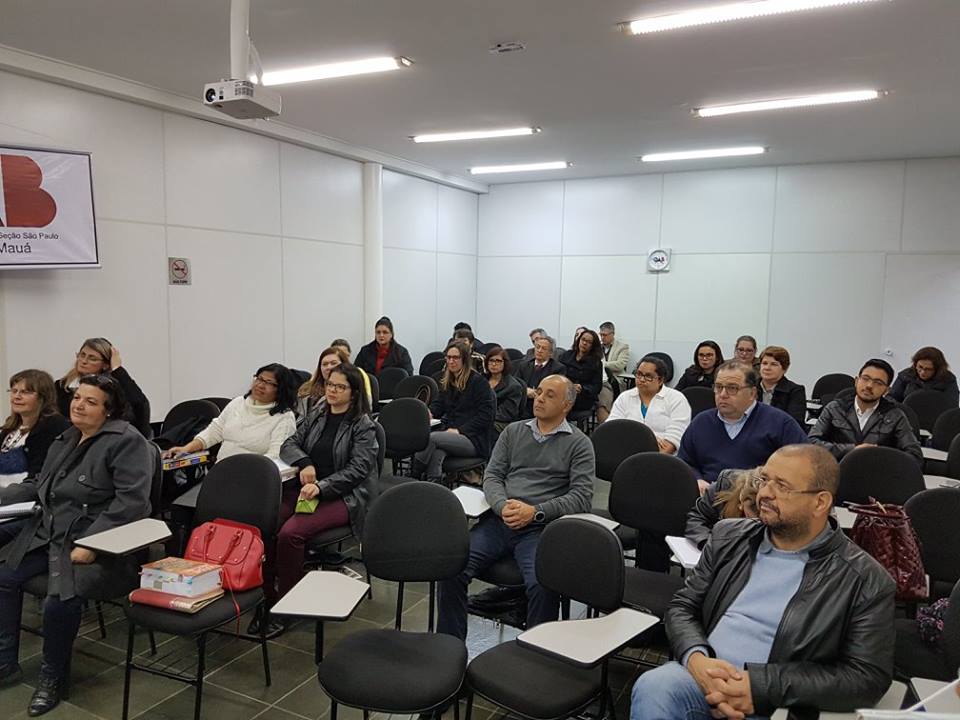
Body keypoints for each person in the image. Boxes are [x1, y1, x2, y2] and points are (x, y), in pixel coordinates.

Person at [631, 444, 895, 720]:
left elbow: (866, 677)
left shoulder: (865, 579)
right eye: (764, 480)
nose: (765, 493)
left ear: (820, 503)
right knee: (655, 687)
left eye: (782, 486)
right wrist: (696, 659)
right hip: (702, 680)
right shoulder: (728, 536)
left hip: (778, 703)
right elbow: (682, 606)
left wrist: (759, 688)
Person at [0, 374, 155, 716]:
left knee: (60, 600)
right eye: (77, 398)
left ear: (109, 410)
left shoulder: (126, 441)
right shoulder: (67, 437)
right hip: (51, 534)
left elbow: (132, 503)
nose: (79, 405)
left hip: (104, 547)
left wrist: (92, 543)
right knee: (5, 576)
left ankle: (53, 677)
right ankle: (5, 662)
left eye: (91, 401)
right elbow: (40, 484)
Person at [437, 375, 594, 640]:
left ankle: (534, 653)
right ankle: (449, 644)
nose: (539, 399)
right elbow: (492, 476)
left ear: (567, 405)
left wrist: (535, 511)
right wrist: (501, 506)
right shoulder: (513, 431)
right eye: (539, 392)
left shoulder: (579, 443)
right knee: (451, 568)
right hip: (500, 520)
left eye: (550, 395)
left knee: (543, 585)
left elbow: (581, 497)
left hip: (540, 528)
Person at [275, 366, 378, 624]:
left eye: (340, 387)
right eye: (330, 384)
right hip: (307, 489)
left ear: (354, 393)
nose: (332, 390)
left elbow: (358, 470)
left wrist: (322, 487)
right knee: (269, 521)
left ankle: (289, 605)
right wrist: (305, 463)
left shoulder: (363, 425)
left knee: (290, 533)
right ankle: (269, 593)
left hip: (345, 495)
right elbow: (289, 444)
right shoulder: (319, 412)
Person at [678, 361, 810, 485]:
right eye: (718, 387)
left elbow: (804, 464)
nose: (723, 394)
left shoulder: (780, 423)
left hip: (758, 495)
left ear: (752, 393)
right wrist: (697, 480)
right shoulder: (702, 422)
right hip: (707, 495)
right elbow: (685, 462)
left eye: (732, 388)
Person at [163, 364, 297, 462]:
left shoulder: (284, 418)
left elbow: (275, 457)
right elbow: (214, 431)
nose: (260, 385)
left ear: (281, 390)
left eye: (269, 383)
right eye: (259, 379)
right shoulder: (238, 403)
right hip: (222, 470)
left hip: (254, 477)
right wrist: (186, 449)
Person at [809, 358, 922, 464]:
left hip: (877, 473)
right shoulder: (835, 408)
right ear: (856, 381)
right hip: (837, 470)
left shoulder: (895, 415)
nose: (869, 385)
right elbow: (811, 443)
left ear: (886, 390)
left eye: (878, 383)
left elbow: (914, 455)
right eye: (865, 378)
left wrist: (878, 455)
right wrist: (851, 450)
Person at [413, 341, 495, 484]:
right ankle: (434, 486)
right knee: (437, 453)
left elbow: (486, 416)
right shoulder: (449, 381)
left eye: (455, 358)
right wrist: (430, 412)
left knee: (431, 438)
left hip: (474, 439)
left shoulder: (478, 383)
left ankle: (413, 475)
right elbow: (439, 404)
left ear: (465, 360)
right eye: (448, 357)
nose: (451, 361)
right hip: (451, 434)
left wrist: (460, 431)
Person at [54, 337, 151, 437]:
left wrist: (117, 369)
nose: (84, 361)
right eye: (82, 355)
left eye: (92, 358)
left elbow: (140, 406)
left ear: (105, 365)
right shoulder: (61, 386)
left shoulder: (112, 389)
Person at [1, 370, 71, 489]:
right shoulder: (10, 426)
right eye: (14, 391)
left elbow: (41, 476)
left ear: (43, 397)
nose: (17, 396)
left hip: (25, 496)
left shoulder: (54, 426)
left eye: (25, 392)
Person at [609, 356, 691, 454]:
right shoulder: (625, 397)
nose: (642, 379)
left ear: (660, 380)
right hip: (626, 451)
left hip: (662, 457)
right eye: (639, 374)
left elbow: (674, 439)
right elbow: (611, 428)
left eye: (648, 376)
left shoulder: (676, 399)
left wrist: (651, 459)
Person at [685, 467, 762, 549]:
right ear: (741, 500)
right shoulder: (724, 485)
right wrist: (708, 545)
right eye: (748, 517)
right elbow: (697, 518)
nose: (750, 522)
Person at [888, 346, 959, 406]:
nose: (922, 372)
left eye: (928, 369)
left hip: (937, 416)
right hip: (906, 415)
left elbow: (952, 406)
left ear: (937, 369)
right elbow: (891, 399)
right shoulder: (905, 375)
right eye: (920, 367)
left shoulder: (948, 379)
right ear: (915, 364)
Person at [515, 336, 566, 417]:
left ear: (551, 353)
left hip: (544, 406)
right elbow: (515, 385)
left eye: (544, 348)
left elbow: (555, 391)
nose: (539, 350)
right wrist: (525, 390)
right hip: (523, 405)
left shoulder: (558, 368)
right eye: (538, 347)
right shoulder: (524, 365)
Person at [757, 346, 807, 426]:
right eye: (764, 363)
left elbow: (794, 423)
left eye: (774, 364)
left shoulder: (795, 391)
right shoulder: (749, 387)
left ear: (784, 368)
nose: (767, 368)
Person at [558, 329, 604, 413]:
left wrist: (582, 388)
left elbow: (597, 386)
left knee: (561, 403)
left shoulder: (596, 362)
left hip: (582, 396)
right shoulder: (566, 355)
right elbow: (556, 374)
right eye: (583, 340)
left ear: (593, 346)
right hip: (563, 390)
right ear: (579, 340)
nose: (584, 343)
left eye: (589, 342)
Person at [296, 347, 349, 416]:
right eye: (325, 364)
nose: (328, 367)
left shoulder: (349, 392)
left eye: (333, 363)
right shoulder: (306, 390)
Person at [484, 346, 525, 433]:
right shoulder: (481, 380)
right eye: (491, 360)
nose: (494, 364)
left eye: (498, 361)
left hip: (501, 423)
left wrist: (481, 416)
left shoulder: (513, 386)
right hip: (481, 417)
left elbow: (506, 414)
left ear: (505, 363)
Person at [597, 321, 630, 423]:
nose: (602, 337)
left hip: (615, 380)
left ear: (613, 334)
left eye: (605, 335)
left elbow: (620, 365)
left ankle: (607, 425)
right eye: (601, 335)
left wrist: (602, 364)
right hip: (599, 379)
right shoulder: (597, 347)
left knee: (602, 396)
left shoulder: (622, 347)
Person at [329, 339, 373, 404]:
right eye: (338, 355)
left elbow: (367, 401)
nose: (342, 358)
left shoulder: (359, 373)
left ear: (349, 355)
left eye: (344, 355)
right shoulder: (327, 371)